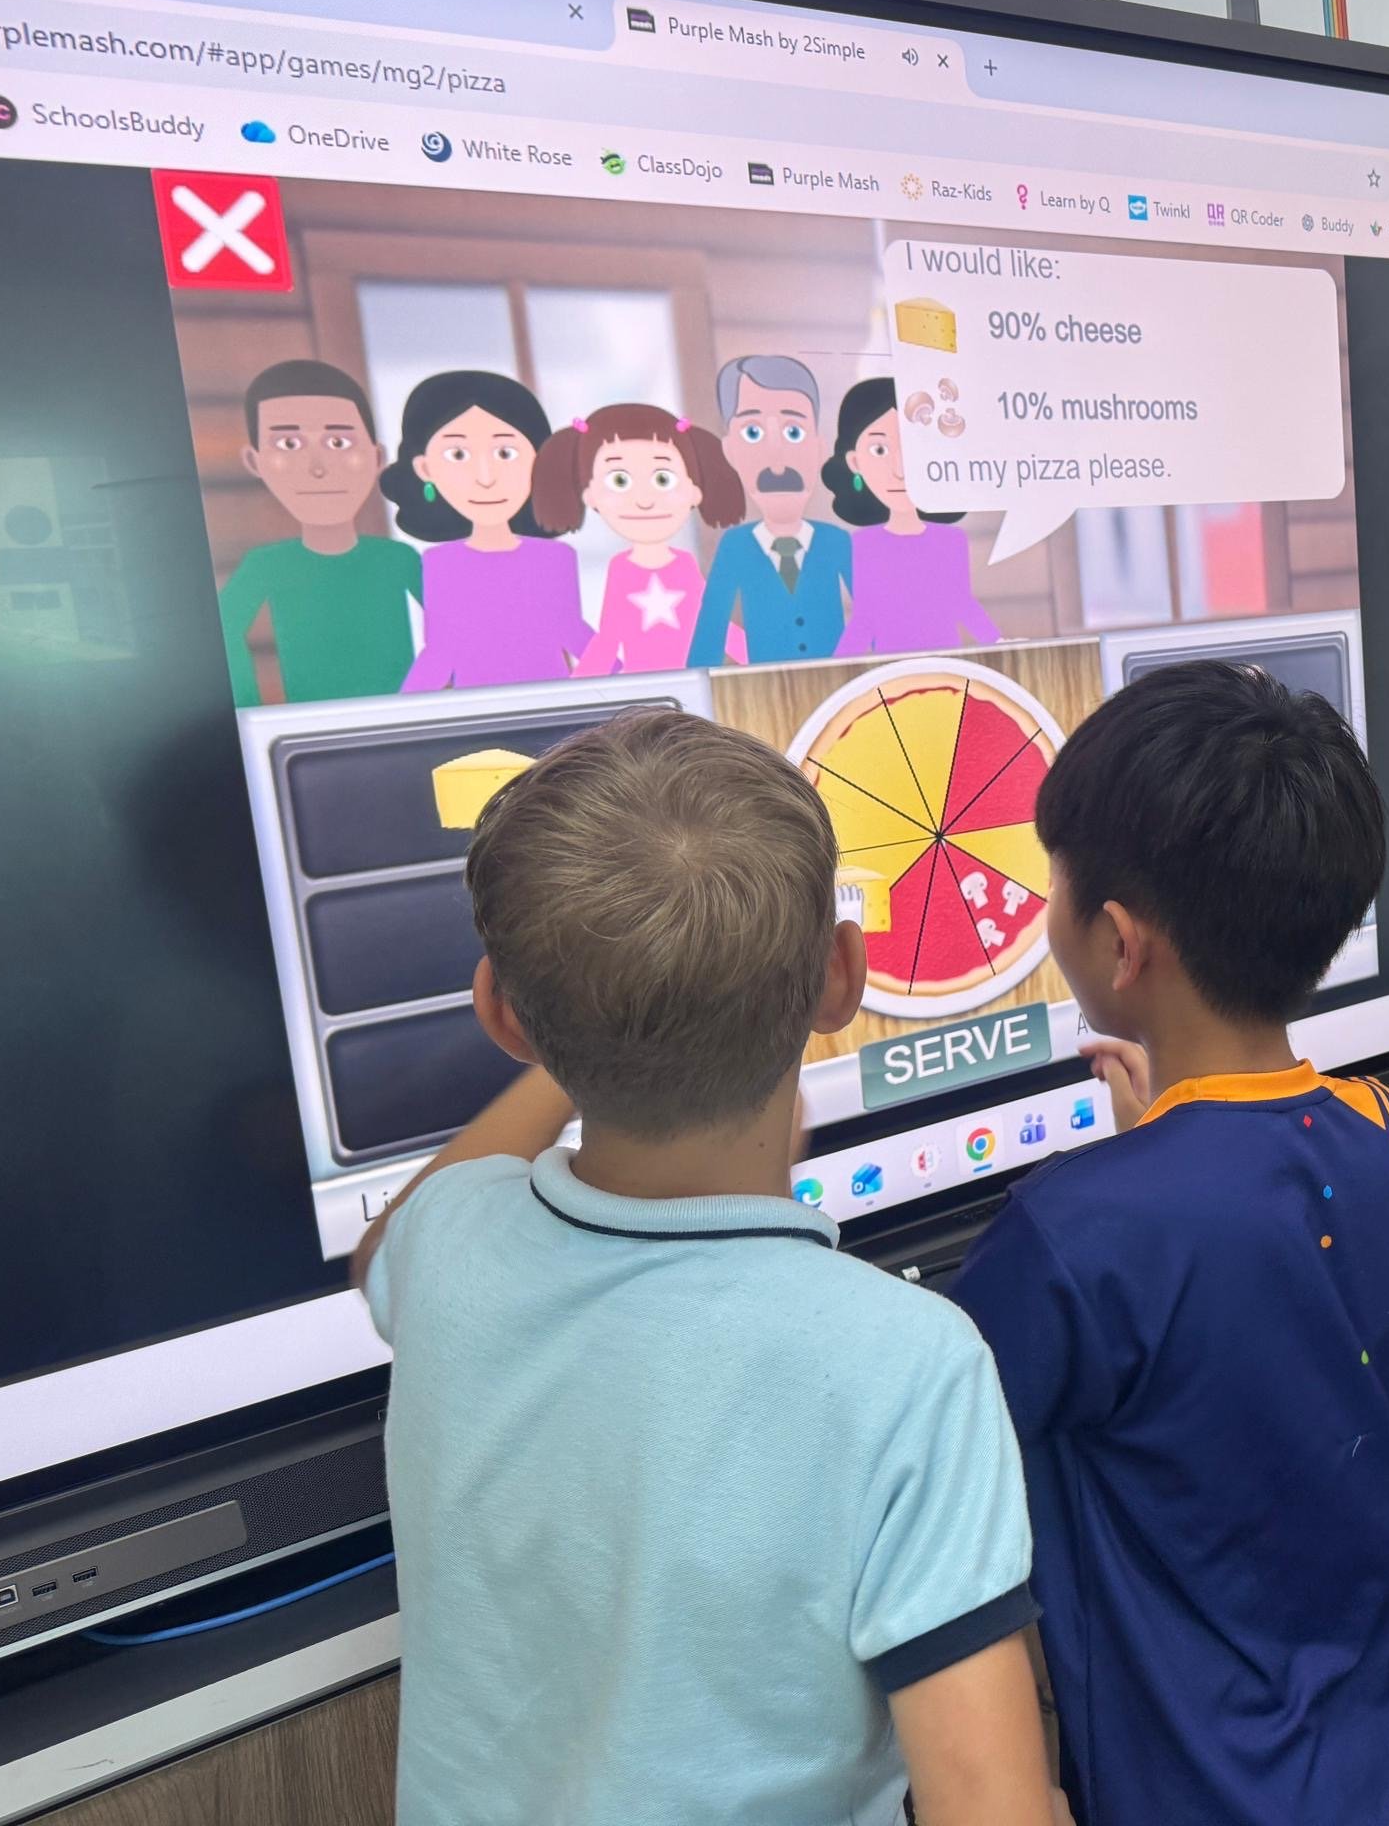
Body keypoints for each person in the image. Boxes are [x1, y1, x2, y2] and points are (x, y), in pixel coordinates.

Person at [351, 710, 1056, 1826]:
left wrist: (575, 1028)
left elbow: (390, 1239)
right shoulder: (906, 1362)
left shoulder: (448, 1248)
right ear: (843, 978)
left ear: (500, 1013)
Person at [950, 661, 1389, 1826]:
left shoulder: (1073, 1234)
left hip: (1195, 1790)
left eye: (1055, 887)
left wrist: (1139, 1175)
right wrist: (1163, 1152)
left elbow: (947, 1459)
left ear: (1119, 943)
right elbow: (1256, 1263)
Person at [216, 359, 420, 706]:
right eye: (289, 445)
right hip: (315, 730)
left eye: (339, 442)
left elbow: (461, 628)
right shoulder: (267, 564)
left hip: (401, 720)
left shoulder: (397, 559)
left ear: (376, 456)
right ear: (255, 461)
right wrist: (250, 707)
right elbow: (223, 629)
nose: (317, 468)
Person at [387, 370, 592, 692]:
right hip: (478, 713)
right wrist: (400, 712)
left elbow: (574, 633)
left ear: (538, 461)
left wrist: (629, 691)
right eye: (458, 455)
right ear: (424, 469)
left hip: (557, 712)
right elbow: (441, 652)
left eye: (505, 453)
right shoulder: (441, 564)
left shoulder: (555, 558)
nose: (485, 477)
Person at [530, 403, 748, 674]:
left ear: (694, 491)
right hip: (645, 692)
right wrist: (584, 684)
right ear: (590, 495)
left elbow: (713, 624)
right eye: (620, 481)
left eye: (662, 479)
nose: (644, 501)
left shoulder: (683, 564)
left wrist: (760, 661)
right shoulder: (621, 568)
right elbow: (609, 638)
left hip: (693, 683)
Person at [689, 355, 857, 665]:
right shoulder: (735, 545)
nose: (776, 459)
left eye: (794, 432)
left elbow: (874, 616)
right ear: (730, 450)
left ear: (820, 447)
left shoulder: (837, 540)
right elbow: (712, 626)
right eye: (752, 433)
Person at [825, 376, 1000, 656]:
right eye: (880, 450)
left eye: (913, 449)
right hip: (891, 670)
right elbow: (865, 618)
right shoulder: (863, 544)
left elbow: (962, 603)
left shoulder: (951, 540)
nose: (900, 469)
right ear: (855, 462)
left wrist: (997, 643)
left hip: (947, 665)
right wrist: (839, 666)